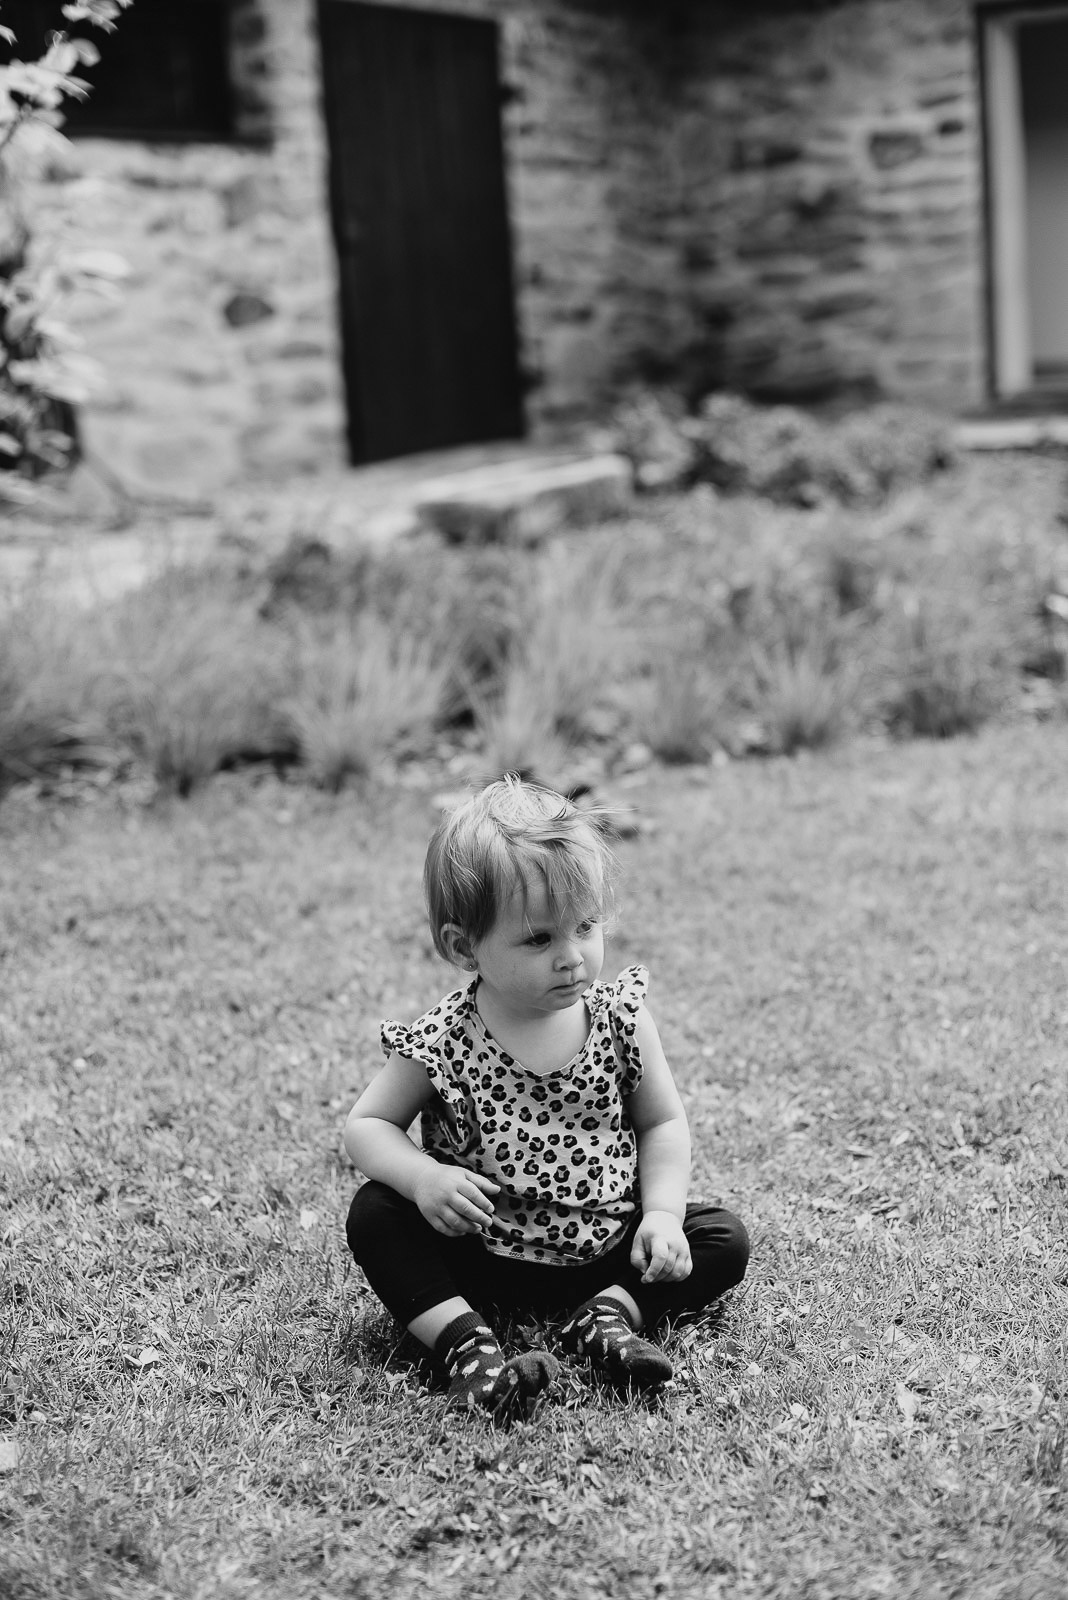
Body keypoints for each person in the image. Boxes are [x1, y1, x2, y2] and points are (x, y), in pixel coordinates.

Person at [344, 776, 749, 1415]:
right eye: (539, 939)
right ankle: (467, 1347)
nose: (572, 957)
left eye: (585, 926)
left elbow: (662, 1124)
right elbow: (367, 1125)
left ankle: (606, 1319)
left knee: (722, 1237)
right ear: (462, 946)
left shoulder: (620, 1020)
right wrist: (423, 1178)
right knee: (375, 1214)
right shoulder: (443, 1040)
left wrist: (663, 1216)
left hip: (604, 1246)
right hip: (481, 1253)